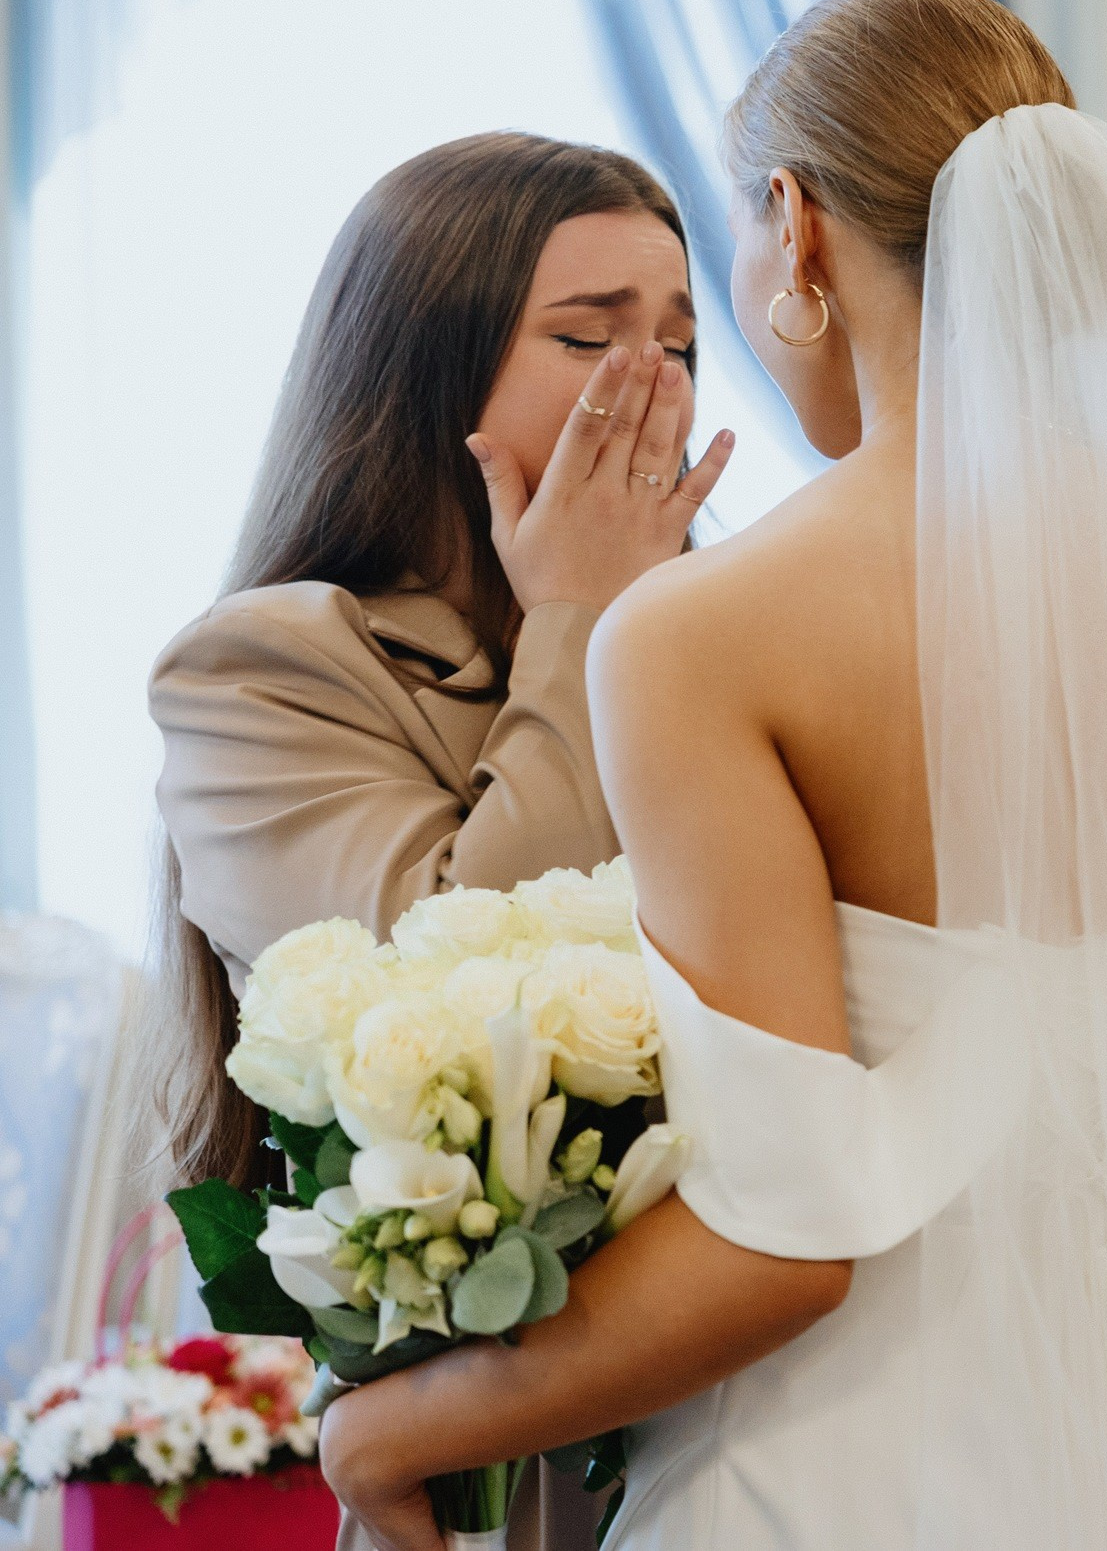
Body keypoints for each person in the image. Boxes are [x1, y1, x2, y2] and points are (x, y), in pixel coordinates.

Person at [317, 0, 1107, 1551]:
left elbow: (786, 1242)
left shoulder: (705, 630)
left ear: (795, 231)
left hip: (856, 1481)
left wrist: (397, 1426)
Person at [148, 131, 732, 1551]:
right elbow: (435, 997)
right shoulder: (260, 672)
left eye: (683, 343)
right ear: (423, 372)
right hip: (489, 1442)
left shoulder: (731, 644)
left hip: (747, 1370)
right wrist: (584, 618)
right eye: (591, 336)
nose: (648, 384)